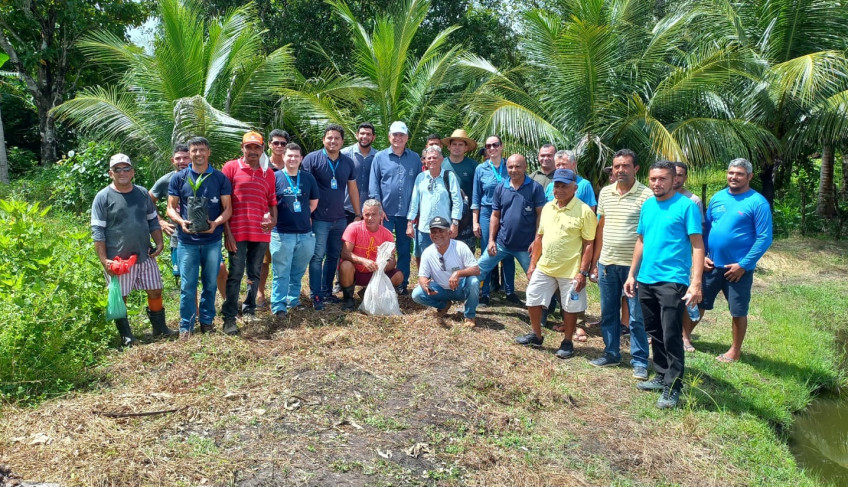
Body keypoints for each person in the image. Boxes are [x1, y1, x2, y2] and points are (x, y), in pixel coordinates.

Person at [625, 160, 704, 409]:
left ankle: (673, 387)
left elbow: (698, 245)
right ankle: (660, 375)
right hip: (646, 279)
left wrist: (696, 282)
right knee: (655, 332)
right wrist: (631, 274)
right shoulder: (648, 206)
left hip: (672, 280)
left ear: (674, 180)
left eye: (662, 179)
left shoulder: (686, 207)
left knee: (671, 335)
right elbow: (641, 241)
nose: (657, 183)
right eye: (653, 179)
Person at [684, 158, 773, 362]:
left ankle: (734, 351)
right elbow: (706, 229)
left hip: (737, 269)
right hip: (711, 265)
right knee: (697, 303)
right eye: (731, 172)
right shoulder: (717, 198)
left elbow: (764, 237)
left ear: (749, 176)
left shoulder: (757, 203)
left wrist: (744, 264)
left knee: (738, 310)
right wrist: (704, 255)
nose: (734, 177)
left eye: (739, 174)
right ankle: (685, 337)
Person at [92, 153, 173, 346]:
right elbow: (97, 232)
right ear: (110, 173)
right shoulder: (103, 197)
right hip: (118, 259)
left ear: (132, 172)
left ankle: (160, 329)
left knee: (155, 290)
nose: (122, 173)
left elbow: (152, 219)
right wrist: (105, 261)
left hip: (145, 255)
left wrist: (160, 243)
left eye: (126, 168)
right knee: (121, 297)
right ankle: (127, 336)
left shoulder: (142, 193)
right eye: (117, 169)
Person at [515, 169, 597, 359]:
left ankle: (567, 341)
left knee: (569, 307)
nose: (559, 190)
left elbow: (588, 244)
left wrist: (582, 272)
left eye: (564, 186)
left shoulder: (584, 211)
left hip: (570, 270)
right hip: (545, 266)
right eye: (556, 186)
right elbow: (540, 237)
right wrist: (532, 264)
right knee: (533, 298)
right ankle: (536, 335)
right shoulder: (548, 208)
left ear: (574, 188)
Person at [589, 149, 653, 379]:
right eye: (616, 166)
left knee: (636, 316)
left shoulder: (647, 195)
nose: (620, 170)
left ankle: (639, 361)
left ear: (636, 169)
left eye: (625, 166)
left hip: (634, 267)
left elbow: (648, 234)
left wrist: (637, 269)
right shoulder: (605, 193)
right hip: (608, 263)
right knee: (608, 312)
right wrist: (595, 262)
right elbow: (601, 227)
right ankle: (611, 353)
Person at [167, 136, 233, 338]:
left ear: (208, 152)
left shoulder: (219, 178)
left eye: (202, 150)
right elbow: (170, 207)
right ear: (190, 153)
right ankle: (185, 325)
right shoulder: (179, 178)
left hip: (212, 241)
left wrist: (215, 223)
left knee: (210, 284)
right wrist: (180, 222)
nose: (198, 154)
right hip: (187, 242)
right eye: (194, 150)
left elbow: (228, 209)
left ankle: (207, 321)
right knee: (188, 285)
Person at [220, 132, 277, 334]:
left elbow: (272, 202)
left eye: (257, 147)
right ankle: (229, 316)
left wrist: (274, 221)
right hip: (237, 231)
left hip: (260, 233)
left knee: (254, 272)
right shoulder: (231, 168)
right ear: (242, 148)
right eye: (249, 147)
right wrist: (227, 233)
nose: (253, 151)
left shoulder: (267, 172)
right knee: (235, 273)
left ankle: (250, 309)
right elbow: (223, 203)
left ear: (263, 149)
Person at [302, 124, 361, 310]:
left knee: (334, 257)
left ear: (342, 142)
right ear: (323, 140)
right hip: (319, 218)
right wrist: (307, 215)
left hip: (340, 218)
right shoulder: (312, 159)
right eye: (329, 137)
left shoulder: (347, 163)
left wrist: (358, 213)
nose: (333, 141)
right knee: (317, 257)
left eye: (336, 138)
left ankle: (327, 292)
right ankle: (316, 295)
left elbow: (352, 188)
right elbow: (304, 189)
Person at [476, 154, 546, 306]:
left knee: (537, 279)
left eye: (517, 166)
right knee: (477, 271)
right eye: (510, 167)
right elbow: (495, 215)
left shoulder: (535, 188)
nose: (514, 170)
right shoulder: (501, 187)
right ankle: (469, 301)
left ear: (525, 167)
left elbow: (541, 216)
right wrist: (491, 240)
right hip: (502, 243)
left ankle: (544, 311)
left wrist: (536, 241)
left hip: (526, 247)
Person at [369, 121, 421, 294]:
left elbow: (418, 185)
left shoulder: (414, 158)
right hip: (386, 214)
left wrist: (415, 212)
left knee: (404, 250)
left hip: (407, 214)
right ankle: (380, 282)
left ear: (407, 137)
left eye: (401, 135)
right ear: (389, 136)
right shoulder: (380, 157)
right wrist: (379, 209)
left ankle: (402, 283)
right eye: (395, 135)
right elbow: (374, 184)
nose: (398, 138)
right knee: (383, 250)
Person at [269, 143, 319, 316]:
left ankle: (293, 300)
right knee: (281, 272)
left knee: (297, 271)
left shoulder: (308, 178)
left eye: (296, 156)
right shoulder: (274, 177)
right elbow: (268, 204)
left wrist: (301, 215)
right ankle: (278, 306)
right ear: (283, 157)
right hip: (281, 234)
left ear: (301, 159)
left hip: (305, 234)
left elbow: (313, 203)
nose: (292, 159)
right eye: (289, 156)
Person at [412, 216, 481, 327]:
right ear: (430, 235)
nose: (437, 234)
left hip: (460, 288)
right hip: (440, 290)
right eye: (434, 232)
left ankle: (469, 316)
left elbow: (476, 270)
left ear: (449, 233)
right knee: (417, 294)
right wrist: (425, 285)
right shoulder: (428, 253)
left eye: (441, 231)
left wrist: (458, 273)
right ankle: (443, 305)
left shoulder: (460, 247)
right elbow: (422, 276)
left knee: (473, 282)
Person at [471, 135, 515, 306]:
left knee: (509, 252)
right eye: (488, 146)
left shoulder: (510, 166)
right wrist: (475, 221)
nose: (492, 148)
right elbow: (476, 197)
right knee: (487, 252)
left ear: (501, 146)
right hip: (487, 213)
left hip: (507, 212)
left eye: (495, 145)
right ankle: (485, 292)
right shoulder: (481, 169)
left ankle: (510, 291)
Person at [338, 200, 404, 310]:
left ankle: (368, 292)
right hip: (356, 271)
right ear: (362, 214)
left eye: (374, 214)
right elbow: (345, 253)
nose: (370, 218)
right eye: (367, 214)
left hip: (375, 272)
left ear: (381, 216)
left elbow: (392, 260)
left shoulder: (387, 234)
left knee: (398, 276)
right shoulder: (353, 227)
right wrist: (363, 261)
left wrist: (383, 266)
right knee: (345, 265)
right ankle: (348, 299)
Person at [406, 146, 462, 260]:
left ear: (441, 159)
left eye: (435, 157)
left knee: (446, 258)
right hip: (424, 228)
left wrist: (455, 223)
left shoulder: (449, 176)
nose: (432, 160)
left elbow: (457, 201)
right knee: (425, 258)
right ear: (425, 161)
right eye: (429, 158)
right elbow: (414, 202)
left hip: (444, 228)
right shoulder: (420, 177)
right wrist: (410, 224)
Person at [257, 128, 290, 307]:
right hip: (265, 219)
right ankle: (260, 293)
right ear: (269, 145)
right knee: (263, 260)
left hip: (288, 219)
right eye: (275, 142)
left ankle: (283, 293)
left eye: (282, 143)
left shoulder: (292, 164)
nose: (279, 146)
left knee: (284, 259)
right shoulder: (262, 165)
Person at [149, 144, 191, 285]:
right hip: (178, 236)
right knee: (187, 278)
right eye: (178, 158)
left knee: (218, 270)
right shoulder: (166, 180)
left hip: (204, 235)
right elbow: (148, 200)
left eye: (186, 158)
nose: (182, 161)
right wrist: (160, 222)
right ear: (172, 160)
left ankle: (229, 305)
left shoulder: (203, 177)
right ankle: (193, 308)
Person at [440, 128, 479, 251]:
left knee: (466, 251)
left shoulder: (473, 166)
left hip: (466, 216)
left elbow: (477, 192)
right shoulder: (441, 164)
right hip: (444, 213)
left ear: (466, 148)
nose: (457, 147)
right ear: (449, 147)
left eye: (460, 144)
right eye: (454, 144)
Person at [342, 122, 376, 225]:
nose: (365, 136)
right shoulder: (345, 154)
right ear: (357, 135)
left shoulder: (378, 157)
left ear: (373, 137)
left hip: (370, 211)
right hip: (347, 209)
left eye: (368, 134)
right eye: (362, 133)